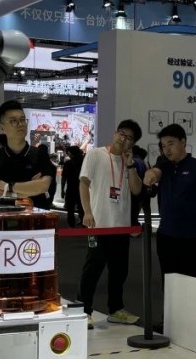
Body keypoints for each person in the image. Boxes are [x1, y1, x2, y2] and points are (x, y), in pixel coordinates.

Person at [77, 120, 145, 329]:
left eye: (129, 138)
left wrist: (131, 165)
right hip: (98, 224)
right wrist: (87, 212)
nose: (123, 139)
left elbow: (136, 190)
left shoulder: (131, 163)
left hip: (121, 226)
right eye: (121, 133)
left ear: (133, 143)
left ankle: (116, 309)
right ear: (115, 133)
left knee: (119, 271)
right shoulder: (95, 154)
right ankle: (84, 310)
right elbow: (84, 183)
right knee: (93, 267)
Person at [142, 123, 196, 279]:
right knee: (168, 281)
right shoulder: (164, 166)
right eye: (164, 146)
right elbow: (155, 172)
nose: (167, 149)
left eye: (171, 144)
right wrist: (150, 175)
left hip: (191, 238)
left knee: (193, 281)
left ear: (183, 142)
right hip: (166, 236)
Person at [0, 100, 53, 207]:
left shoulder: (40, 155)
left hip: (37, 215)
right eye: (13, 121)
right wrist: (28, 191)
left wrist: (8, 187)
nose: (20, 124)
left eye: (23, 120)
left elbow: (43, 186)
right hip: (5, 215)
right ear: (2, 127)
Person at [61, 146, 85, 227]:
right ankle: (83, 222)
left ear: (71, 153)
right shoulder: (84, 162)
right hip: (82, 188)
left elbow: (64, 178)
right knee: (82, 207)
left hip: (71, 188)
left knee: (70, 209)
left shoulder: (68, 163)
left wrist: (62, 190)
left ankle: (71, 225)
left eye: (68, 153)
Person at [33, 144, 58, 210]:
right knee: (45, 208)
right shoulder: (52, 166)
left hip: (36, 190)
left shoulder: (34, 163)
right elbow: (53, 181)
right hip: (48, 189)